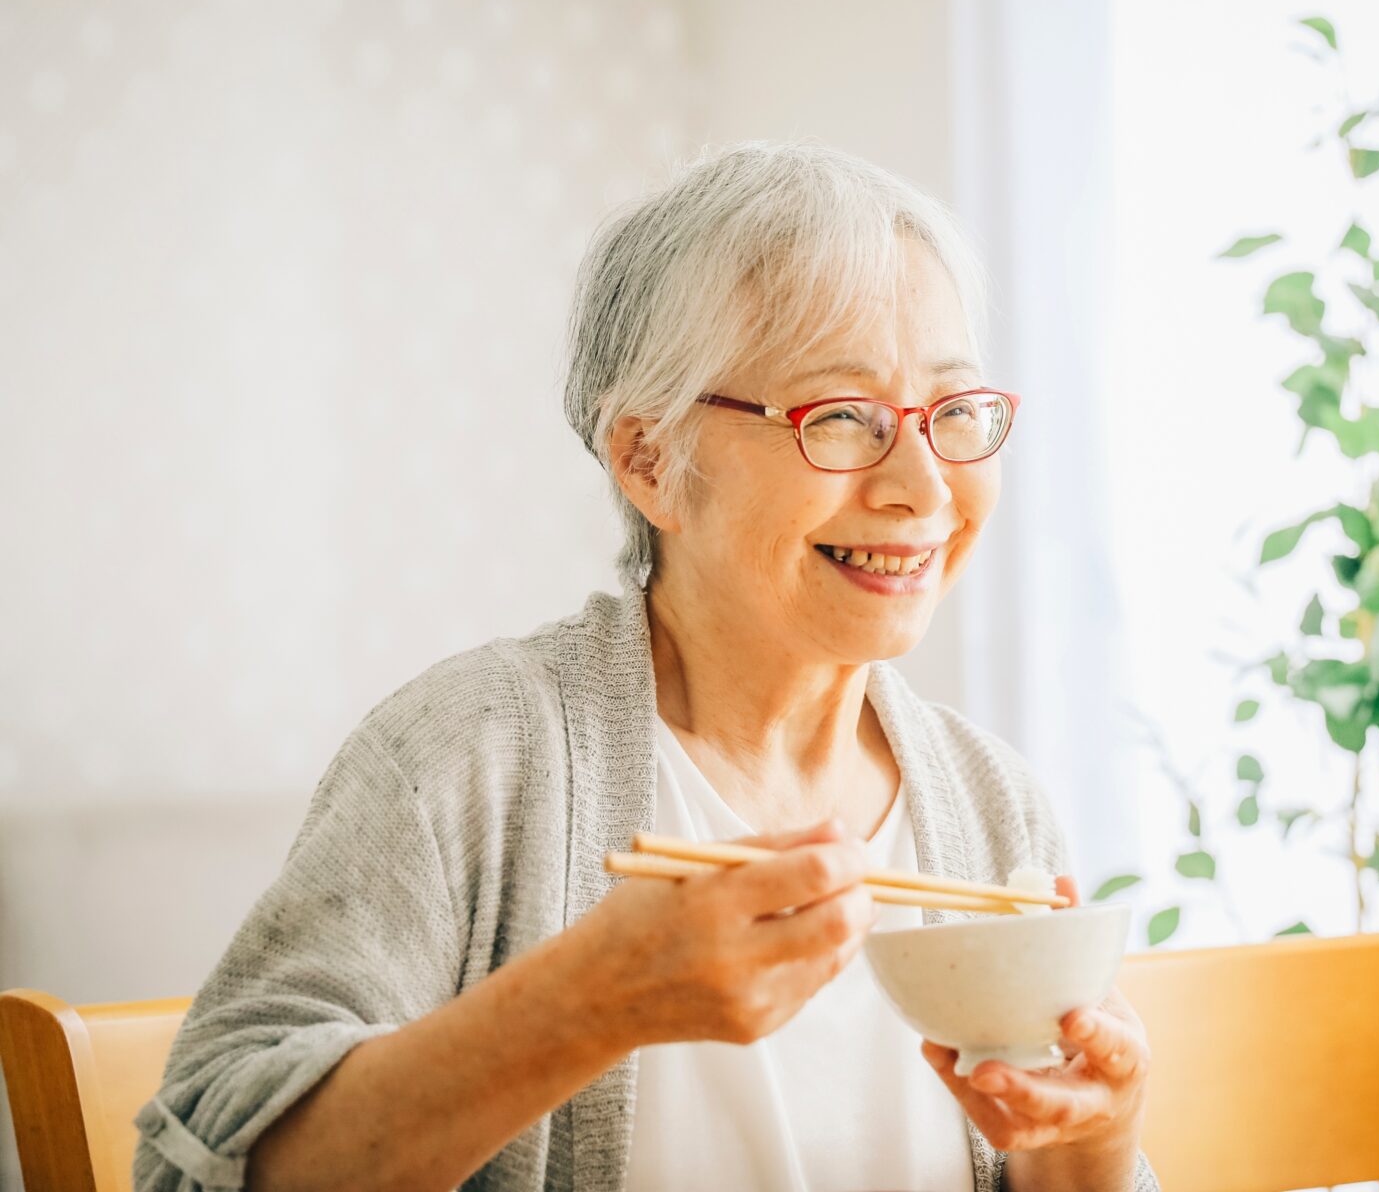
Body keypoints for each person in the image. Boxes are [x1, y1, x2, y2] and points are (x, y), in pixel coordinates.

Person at [134, 141, 1156, 1191]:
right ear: (649, 459)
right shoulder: (468, 760)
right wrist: (585, 1003)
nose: (925, 488)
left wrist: (1088, 1142)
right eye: (842, 415)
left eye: (953, 413)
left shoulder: (992, 808)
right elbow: (191, 1174)